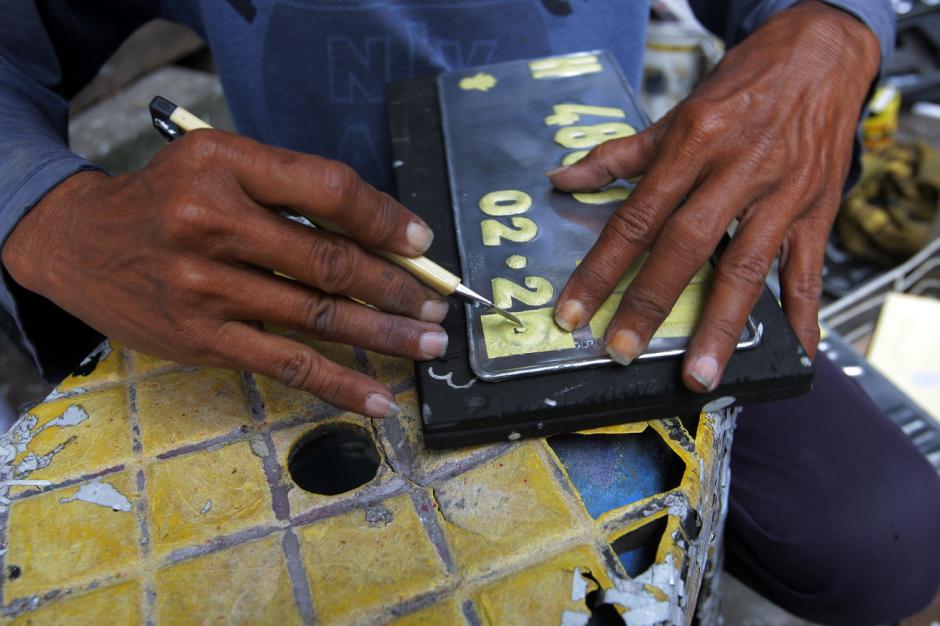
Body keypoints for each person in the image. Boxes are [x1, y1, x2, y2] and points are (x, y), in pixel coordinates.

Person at [0, 1, 937, 623]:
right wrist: (48, 209)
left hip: (613, 241)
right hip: (300, 282)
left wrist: (835, 31)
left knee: (890, 538)